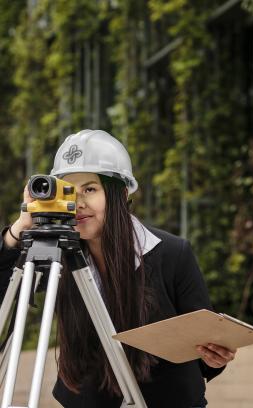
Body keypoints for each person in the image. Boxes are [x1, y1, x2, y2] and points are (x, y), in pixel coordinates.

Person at [0, 129, 236, 408]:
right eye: (69, 192)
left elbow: (207, 355)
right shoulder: (56, 254)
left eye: (90, 189)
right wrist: (20, 227)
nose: (79, 204)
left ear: (121, 193)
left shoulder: (173, 253)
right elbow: (5, 293)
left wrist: (214, 357)